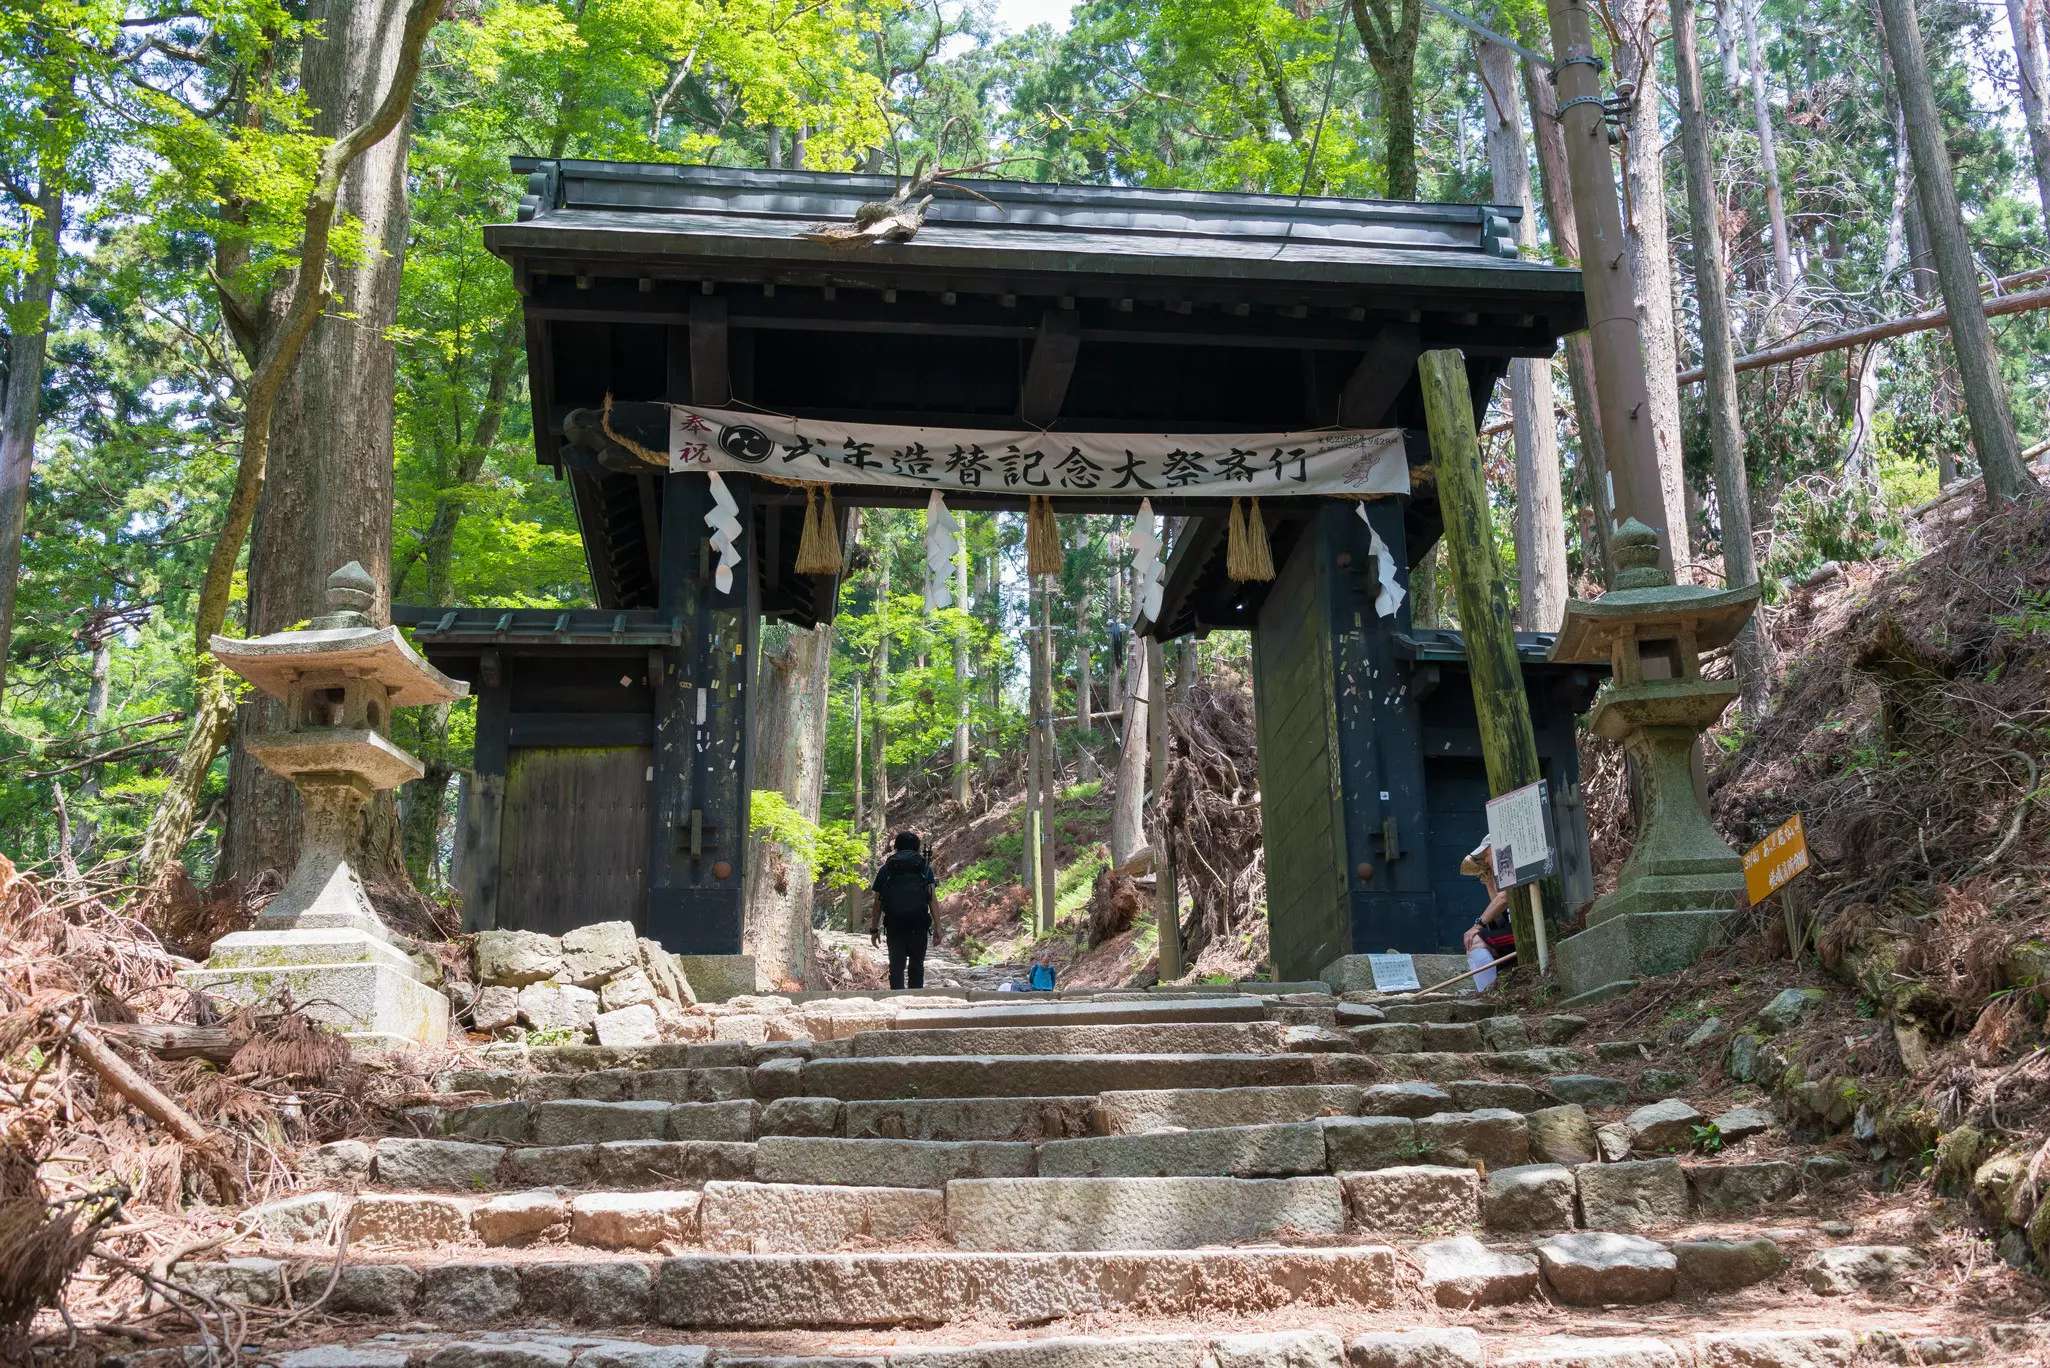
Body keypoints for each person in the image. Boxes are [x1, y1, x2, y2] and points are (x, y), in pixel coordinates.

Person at [869, 831, 937, 990]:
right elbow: (932, 899)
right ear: (918, 848)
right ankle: (916, 1002)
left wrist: (874, 929)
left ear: (896, 848)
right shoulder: (924, 868)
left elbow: (877, 902)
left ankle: (897, 1000)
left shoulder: (887, 870)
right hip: (919, 924)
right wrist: (938, 927)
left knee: (896, 968)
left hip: (895, 925)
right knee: (917, 967)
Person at [1460, 841, 1516, 960]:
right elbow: (1499, 914)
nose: (1485, 860)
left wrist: (1477, 926)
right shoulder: (1499, 872)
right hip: (1511, 927)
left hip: (1523, 930)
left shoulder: (1509, 862)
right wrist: (1487, 878)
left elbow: (1503, 899)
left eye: (1486, 855)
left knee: (1475, 942)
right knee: (1474, 945)